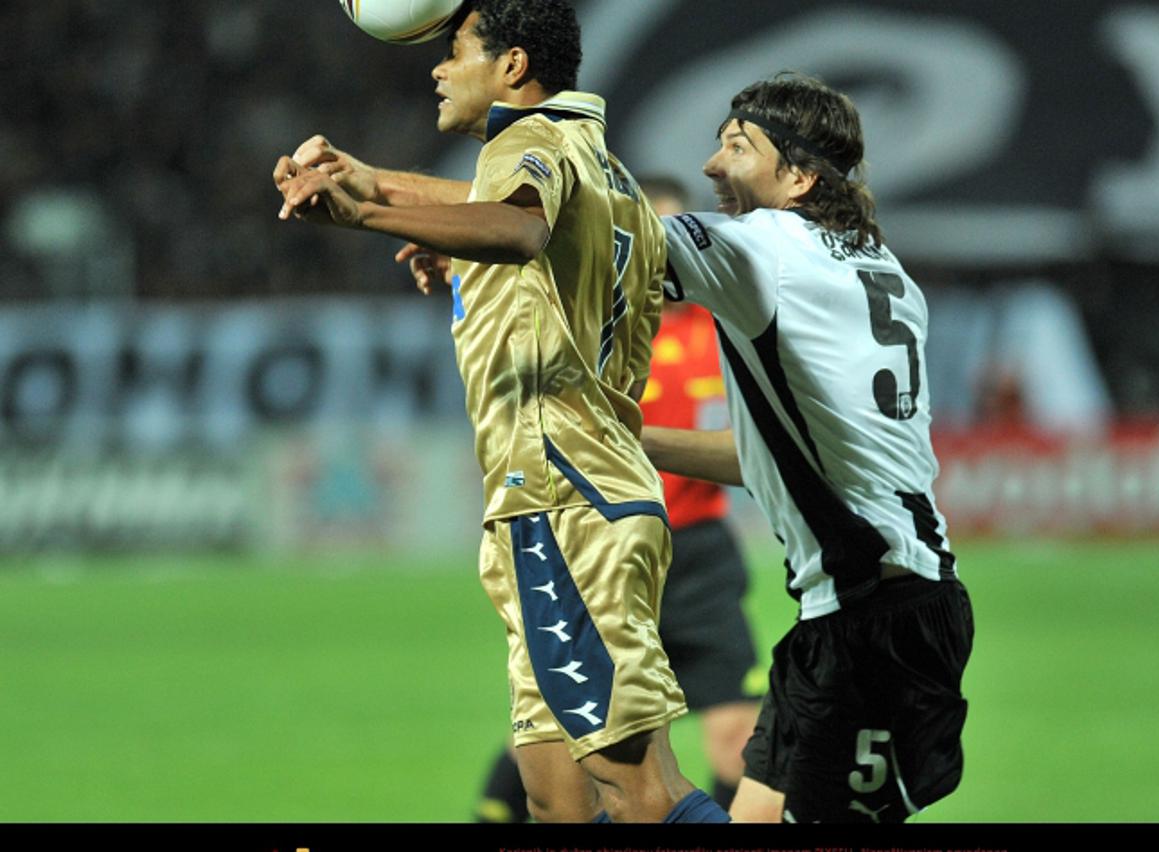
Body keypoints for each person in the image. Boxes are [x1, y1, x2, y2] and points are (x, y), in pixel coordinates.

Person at [273, 0, 727, 824]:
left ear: (513, 66)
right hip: (562, 496)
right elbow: (509, 219)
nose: (439, 68)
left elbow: (517, 229)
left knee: (639, 791)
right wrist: (373, 181)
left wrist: (363, 211)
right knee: (554, 798)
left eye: (456, 51)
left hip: (566, 496)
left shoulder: (529, 142)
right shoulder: (601, 164)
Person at [643, 72, 975, 823]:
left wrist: (436, 230)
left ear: (797, 176)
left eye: (737, 146)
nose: (712, 164)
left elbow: (601, 238)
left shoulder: (769, 249)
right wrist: (628, 436)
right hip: (860, 611)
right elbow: (769, 459)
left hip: (875, 617)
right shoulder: (880, 269)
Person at [473, 177, 765, 823]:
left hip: (697, 556)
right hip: (600, 548)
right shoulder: (582, 325)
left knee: (737, 742)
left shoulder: (725, 332)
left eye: (667, 235)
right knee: (569, 747)